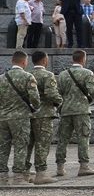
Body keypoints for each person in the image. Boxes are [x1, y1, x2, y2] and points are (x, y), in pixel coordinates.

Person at [56, 49, 94, 177]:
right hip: (81, 110)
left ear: (72, 59)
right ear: (83, 59)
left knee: (63, 139)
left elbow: (58, 92)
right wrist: (89, 101)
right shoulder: (87, 73)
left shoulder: (63, 74)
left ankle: (60, 167)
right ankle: (84, 166)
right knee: (83, 137)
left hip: (65, 110)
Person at [1, 51, 38, 185]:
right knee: (21, 145)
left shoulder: (1, 78)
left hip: (3, 118)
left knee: (2, 146)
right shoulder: (28, 77)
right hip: (20, 117)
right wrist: (35, 107)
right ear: (24, 62)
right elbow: (35, 98)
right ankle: (18, 176)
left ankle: (2, 177)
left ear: (12, 61)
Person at [26, 51, 62, 185]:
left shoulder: (27, 75)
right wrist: (60, 101)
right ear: (44, 60)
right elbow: (51, 93)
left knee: (28, 144)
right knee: (42, 143)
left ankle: (25, 172)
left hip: (28, 114)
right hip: (44, 113)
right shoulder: (47, 75)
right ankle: (41, 173)